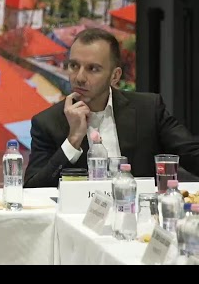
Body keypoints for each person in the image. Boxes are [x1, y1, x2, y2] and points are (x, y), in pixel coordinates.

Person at [24, 28, 199, 188]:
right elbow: (33, 189)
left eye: (93, 69)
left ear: (115, 76)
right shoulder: (47, 122)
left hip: (138, 209)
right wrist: (73, 139)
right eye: (74, 66)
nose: (79, 77)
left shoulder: (148, 109)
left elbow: (192, 156)